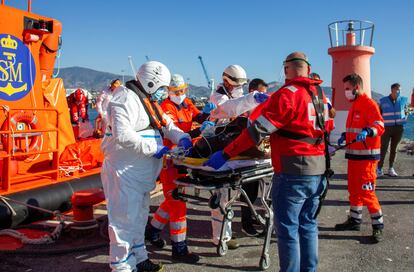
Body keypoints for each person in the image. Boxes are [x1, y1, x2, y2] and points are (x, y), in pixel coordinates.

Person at [205, 52, 331, 272]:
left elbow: (257, 131)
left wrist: (225, 154)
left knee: (288, 229)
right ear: (308, 70)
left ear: (285, 70)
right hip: (319, 169)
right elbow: (327, 127)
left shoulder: (288, 94)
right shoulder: (320, 94)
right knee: (309, 225)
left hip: (293, 170)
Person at [101, 61, 192, 272]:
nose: (164, 93)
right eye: (162, 88)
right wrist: (155, 148)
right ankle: (122, 266)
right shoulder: (124, 99)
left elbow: (166, 124)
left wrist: (182, 137)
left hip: (140, 177)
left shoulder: (146, 100)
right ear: (151, 83)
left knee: (139, 218)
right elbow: (123, 135)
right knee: (123, 222)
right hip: (124, 173)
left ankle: (140, 258)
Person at [145, 74, 216, 263]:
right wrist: (198, 131)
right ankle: (179, 248)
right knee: (178, 204)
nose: (180, 94)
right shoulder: (165, 108)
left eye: (183, 90)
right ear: (168, 91)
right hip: (170, 159)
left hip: (184, 158)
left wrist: (210, 114)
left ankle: (152, 230)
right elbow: (175, 132)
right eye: (176, 91)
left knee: (171, 199)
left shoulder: (186, 103)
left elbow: (197, 115)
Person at [208, 64, 269, 249]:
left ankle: (233, 230)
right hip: (219, 146)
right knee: (222, 197)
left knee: (234, 194)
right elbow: (230, 109)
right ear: (227, 81)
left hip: (234, 149)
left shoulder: (236, 95)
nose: (239, 88)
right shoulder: (218, 96)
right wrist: (252, 98)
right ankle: (221, 238)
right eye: (237, 85)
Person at [334, 73, 385, 243]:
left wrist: (369, 131)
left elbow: (379, 125)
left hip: (367, 158)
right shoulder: (355, 104)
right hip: (354, 156)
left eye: (348, 89)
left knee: (367, 191)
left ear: (356, 88)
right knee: (354, 190)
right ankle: (355, 220)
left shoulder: (369, 104)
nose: (346, 92)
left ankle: (378, 225)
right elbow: (356, 127)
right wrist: (345, 135)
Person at [239, 78, 269, 236]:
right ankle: (246, 222)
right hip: (243, 156)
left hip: (256, 155)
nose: (263, 97)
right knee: (247, 191)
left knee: (255, 191)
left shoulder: (259, 109)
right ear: (252, 91)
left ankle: (251, 216)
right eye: (261, 93)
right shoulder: (243, 108)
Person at [377, 83, 409, 177]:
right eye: (397, 89)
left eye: (400, 89)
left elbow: (406, 111)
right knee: (383, 148)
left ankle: (391, 168)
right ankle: (379, 169)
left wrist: (405, 118)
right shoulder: (383, 101)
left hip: (399, 128)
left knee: (394, 149)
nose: (399, 91)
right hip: (386, 128)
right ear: (392, 90)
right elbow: (379, 114)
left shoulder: (403, 100)